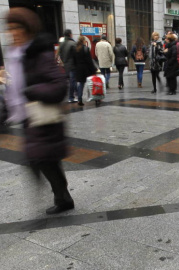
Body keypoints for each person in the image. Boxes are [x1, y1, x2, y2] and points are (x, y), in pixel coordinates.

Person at [5, 8, 74, 214]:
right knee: (43, 159)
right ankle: (62, 197)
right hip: (29, 117)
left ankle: (63, 198)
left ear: (28, 29)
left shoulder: (39, 53)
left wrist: (31, 91)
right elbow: (13, 89)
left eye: (17, 28)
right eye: (10, 28)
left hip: (43, 117)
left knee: (44, 159)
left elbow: (60, 85)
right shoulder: (16, 54)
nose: (13, 32)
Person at [74, 36, 97, 106]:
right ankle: (95, 97)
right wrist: (93, 69)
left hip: (78, 69)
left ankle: (79, 99)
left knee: (81, 84)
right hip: (85, 69)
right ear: (83, 41)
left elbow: (74, 60)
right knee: (92, 83)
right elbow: (89, 61)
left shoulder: (75, 49)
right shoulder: (86, 49)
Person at [58, 29, 77, 103]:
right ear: (70, 34)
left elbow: (60, 54)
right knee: (73, 81)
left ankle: (75, 95)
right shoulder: (72, 43)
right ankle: (71, 97)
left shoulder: (62, 44)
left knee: (71, 80)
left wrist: (64, 61)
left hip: (66, 65)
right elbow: (76, 54)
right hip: (73, 65)